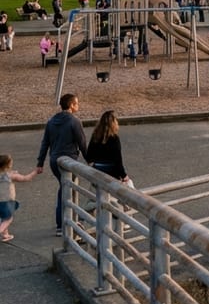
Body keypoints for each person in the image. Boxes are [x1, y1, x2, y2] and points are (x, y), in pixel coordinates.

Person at [36, 93, 86, 236]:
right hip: (69, 161)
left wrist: (40, 162)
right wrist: (90, 160)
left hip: (54, 160)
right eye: (77, 103)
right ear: (71, 105)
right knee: (69, 191)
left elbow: (45, 143)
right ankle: (66, 223)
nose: (78, 105)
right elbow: (82, 143)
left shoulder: (51, 121)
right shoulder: (74, 122)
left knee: (64, 188)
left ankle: (63, 223)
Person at [0, 154, 40, 242]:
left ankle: (5, 235)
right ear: (8, 165)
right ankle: (1, 231)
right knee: (8, 218)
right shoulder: (11, 176)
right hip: (6, 201)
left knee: (3, 217)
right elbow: (26, 178)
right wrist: (35, 172)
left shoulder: (9, 174)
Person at [84, 111, 129, 184]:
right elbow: (117, 159)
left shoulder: (95, 136)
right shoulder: (114, 138)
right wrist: (124, 176)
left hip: (97, 170)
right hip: (111, 173)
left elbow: (89, 155)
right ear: (113, 123)